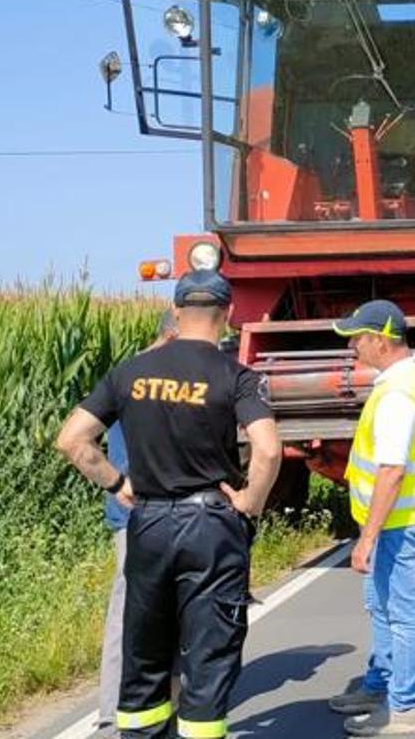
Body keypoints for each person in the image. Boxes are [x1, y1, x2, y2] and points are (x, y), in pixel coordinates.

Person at [54, 270, 279, 739]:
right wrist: (249, 502)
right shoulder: (237, 376)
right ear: (228, 314)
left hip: (148, 523)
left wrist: (118, 482)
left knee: (145, 650)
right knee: (208, 651)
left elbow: (72, 440)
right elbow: (269, 448)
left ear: (177, 312)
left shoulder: (130, 372)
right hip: (211, 525)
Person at [324, 299, 415, 736]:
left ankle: (403, 709)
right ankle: (378, 684)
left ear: (381, 340)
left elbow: (392, 470)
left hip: (400, 519)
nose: (353, 348)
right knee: (380, 604)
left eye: (358, 339)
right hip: (405, 514)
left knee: (401, 610)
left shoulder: (399, 393)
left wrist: (367, 537)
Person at [91, 312, 179, 739]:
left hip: (143, 513)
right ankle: (114, 719)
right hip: (145, 514)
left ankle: (148, 711)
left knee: (147, 617)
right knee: (131, 618)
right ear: (173, 333)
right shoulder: (154, 378)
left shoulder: (128, 374)